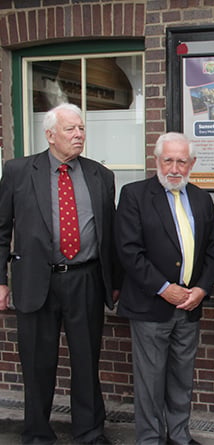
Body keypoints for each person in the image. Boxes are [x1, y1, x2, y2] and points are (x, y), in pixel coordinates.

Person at [0, 103, 120, 444]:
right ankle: (37, 433)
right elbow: (1, 229)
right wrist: (0, 281)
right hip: (36, 280)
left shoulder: (100, 175)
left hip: (86, 279)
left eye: (81, 128)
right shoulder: (18, 171)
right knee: (37, 365)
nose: (79, 134)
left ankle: (89, 432)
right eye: (71, 129)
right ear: (50, 135)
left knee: (86, 360)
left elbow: (109, 235)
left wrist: (114, 282)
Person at [115, 132, 214, 445]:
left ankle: (178, 436)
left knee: (181, 379)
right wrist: (163, 288)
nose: (175, 168)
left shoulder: (202, 199)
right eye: (168, 160)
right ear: (156, 161)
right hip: (151, 306)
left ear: (192, 164)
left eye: (181, 161)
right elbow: (129, 251)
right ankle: (149, 439)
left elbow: (213, 253)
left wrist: (201, 289)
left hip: (189, 306)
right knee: (149, 381)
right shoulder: (134, 195)